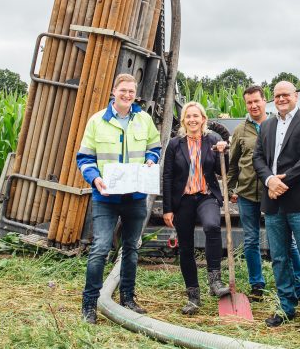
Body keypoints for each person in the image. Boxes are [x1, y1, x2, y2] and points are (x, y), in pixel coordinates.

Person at [77, 73, 162, 324]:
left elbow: (154, 148)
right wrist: (94, 179)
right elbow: (84, 158)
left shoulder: (144, 120)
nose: (127, 95)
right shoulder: (96, 122)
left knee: (131, 249)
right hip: (105, 197)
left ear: (135, 94)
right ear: (114, 91)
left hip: (135, 196)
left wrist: (151, 159)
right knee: (100, 248)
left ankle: (127, 298)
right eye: (123, 90)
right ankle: (89, 304)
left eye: (131, 91)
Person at [253, 81, 300, 332]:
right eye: (277, 96)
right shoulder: (267, 125)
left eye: (286, 94)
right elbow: (258, 158)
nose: (281, 99)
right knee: (279, 258)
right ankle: (286, 306)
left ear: (296, 96)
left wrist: (283, 181)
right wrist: (269, 180)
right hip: (273, 200)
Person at [227, 85, 300, 302]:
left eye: (257, 101)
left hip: (274, 193)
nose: (253, 106)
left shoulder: (277, 125)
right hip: (247, 194)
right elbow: (233, 164)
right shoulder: (240, 131)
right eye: (249, 102)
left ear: (265, 101)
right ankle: (257, 285)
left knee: (286, 241)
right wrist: (230, 189)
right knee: (251, 240)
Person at [162, 101, 230, 314]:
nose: (192, 119)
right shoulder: (175, 144)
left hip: (206, 195)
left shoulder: (213, 140)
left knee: (212, 226)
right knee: (185, 247)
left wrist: (223, 153)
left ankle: (215, 281)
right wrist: (167, 208)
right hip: (182, 200)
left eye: (196, 116)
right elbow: (168, 176)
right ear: (183, 120)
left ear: (203, 119)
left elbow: (224, 171)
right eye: (188, 116)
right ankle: (193, 296)